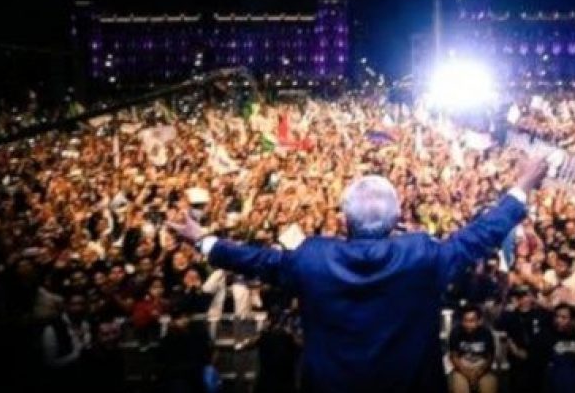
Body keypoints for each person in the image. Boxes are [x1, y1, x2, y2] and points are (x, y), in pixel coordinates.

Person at [170, 157, 549, 393]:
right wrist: (522, 186)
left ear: (343, 220)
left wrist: (202, 239)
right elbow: (479, 236)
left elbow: (256, 260)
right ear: (397, 219)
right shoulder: (421, 254)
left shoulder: (313, 258)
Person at [497, 285, 553, 393]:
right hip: (517, 358)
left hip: (538, 358)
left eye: (527, 296)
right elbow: (499, 325)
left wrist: (537, 301)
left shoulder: (539, 314)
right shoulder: (511, 315)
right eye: (520, 297)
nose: (524, 299)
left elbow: (552, 316)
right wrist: (511, 307)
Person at [543, 304, 575, 393]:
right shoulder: (547, 338)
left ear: (571, 320)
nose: (559, 320)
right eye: (557, 316)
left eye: (563, 317)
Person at [448, 305, 497, 393]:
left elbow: (490, 357)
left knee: (489, 386)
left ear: (479, 321)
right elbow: (453, 356)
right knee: (459, 386)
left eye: (472, 321)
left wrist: (478, 373)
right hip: (461, 368)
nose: (468, 324)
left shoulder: (486, 333)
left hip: (482, 368)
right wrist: (467, 373)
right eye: (465, 320)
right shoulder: (456, 332)